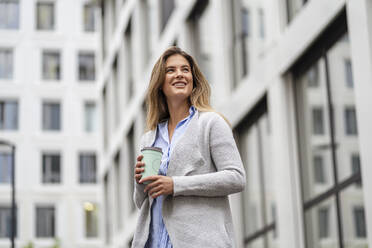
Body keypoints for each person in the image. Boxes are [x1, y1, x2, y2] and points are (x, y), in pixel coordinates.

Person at [132, 46, 246, 248]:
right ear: (160, 83)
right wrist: (140, 183)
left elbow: (236, 177)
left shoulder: (210, 123)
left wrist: (175, 185)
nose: (180, 75)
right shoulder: (149, 139)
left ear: (193, 80)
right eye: (171, 70)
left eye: (185, 70)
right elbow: (142, 203)